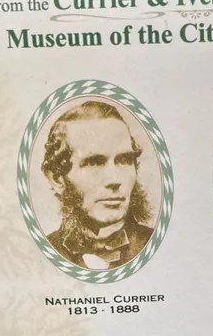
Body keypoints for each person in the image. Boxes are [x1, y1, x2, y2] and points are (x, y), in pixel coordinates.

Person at [41, 100, 154, 269]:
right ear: (57, 179)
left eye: (124, 160)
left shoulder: (155, 244)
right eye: (94, 163)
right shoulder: (41, 252)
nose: (114, 179)